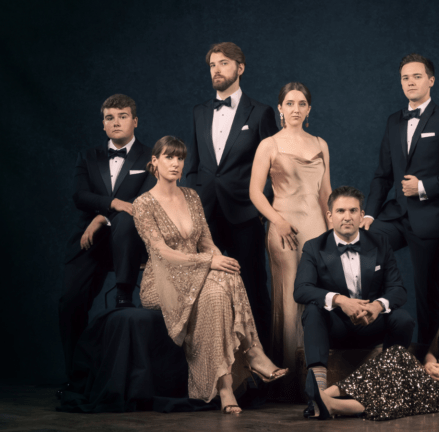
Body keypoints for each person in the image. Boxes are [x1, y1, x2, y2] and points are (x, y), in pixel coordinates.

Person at [133, 136, 287, 414]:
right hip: (162, 283)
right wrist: (209, 262)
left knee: (222, 284)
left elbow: (207, 242)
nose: (176, 163)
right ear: (154, 162)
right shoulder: (143, 204)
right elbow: (161, 252)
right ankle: (253, 353)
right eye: (169, 157)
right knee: (220, 272)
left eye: (180, 158)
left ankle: (225, 388)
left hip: (198, 277)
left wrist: (217, 257)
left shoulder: (192, 196)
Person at [362, 53, 439, 344]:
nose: (410, 82)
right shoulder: (394, 121)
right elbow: (382, 175)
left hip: (434, 218)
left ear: (431, 80)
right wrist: (370, 215)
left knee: (428, 293)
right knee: (363, 246)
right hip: (397, 214)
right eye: (405, 77)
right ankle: (374, 336)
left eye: (417, 76)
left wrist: (424, 186)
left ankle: (428, 356)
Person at [306, 254, 439, 421]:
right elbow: (433, 351)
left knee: (400, 389)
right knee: (397, 354)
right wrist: (428, 365)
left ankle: (328, 401)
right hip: (436, 378)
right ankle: (326, 397)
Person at [183, 42, 279, 349]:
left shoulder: (261, 112)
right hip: (205, 215)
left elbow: (273, 168)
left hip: (245, 215)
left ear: (240, 68)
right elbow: (194, 166)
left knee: (252, 288)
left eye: (223, 63)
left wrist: (260, 208)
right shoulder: (199, 112)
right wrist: (192, 208)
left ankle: (262, 371)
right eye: (212, 65)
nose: (216, 70)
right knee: (204, 289)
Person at [59, 94, 155, 390]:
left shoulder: (150, 156)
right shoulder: (88, 156)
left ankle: (123, 293)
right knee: (69, 303)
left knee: (127, 218)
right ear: (103, 124)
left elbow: (147, 200)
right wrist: (111, 204)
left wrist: (103, 216)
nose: (116, 122)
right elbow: (80, 196)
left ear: (135, 121)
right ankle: (76, 377)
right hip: (90, 242)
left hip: (131, 242)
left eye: (122, 116)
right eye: (110, 117)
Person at [294, 186, 415, 413]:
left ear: (362, 215)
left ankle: (385, 383)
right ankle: (318, 395)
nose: (347, 217)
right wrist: (341, 300)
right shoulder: (314, 247)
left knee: (403, 318)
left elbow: (398, 290)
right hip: (335, 329)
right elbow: (301, 290)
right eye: (340, 211)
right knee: (312, 310)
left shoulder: (381, 243)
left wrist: (377, 306)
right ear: (330, 216)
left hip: (371, 325)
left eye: (353, 211)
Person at [249, 82, 332, 392]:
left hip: (317, 229)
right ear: (280, 108)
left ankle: (315, 375)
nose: (295, 108)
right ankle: (290, 383)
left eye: (301, 103)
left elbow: (326, 193)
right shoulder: (269, 144)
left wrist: (334, 232)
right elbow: (255, 192)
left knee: (317, 297)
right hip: (283, 227)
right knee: (290, 297)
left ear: (309, 109)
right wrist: (277, 220)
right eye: (289, 103)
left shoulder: (321, 143)